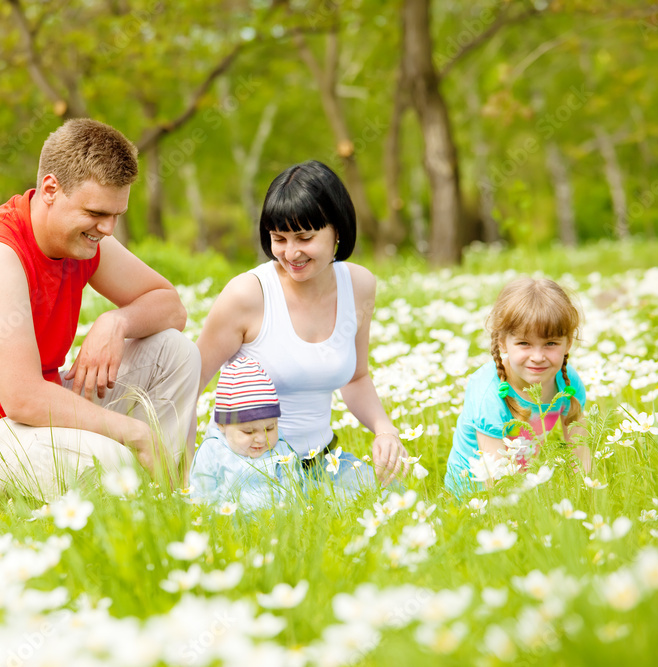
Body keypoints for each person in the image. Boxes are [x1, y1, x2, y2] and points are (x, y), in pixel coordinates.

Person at [0, 119, 200, 501]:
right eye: (96, 213)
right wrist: (134, 433)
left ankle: (172, 496)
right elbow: (23, 398)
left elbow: (172, 308)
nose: (108, 229)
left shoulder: (81, 238)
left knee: (176, 352)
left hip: (24, 418)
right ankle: (139, 476)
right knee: (110, 463)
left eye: (116, 215)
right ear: (51, 189)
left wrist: (117, 321)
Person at [195, 160, 407, 489]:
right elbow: (188, 386)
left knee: (393, 497)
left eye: (304, 237)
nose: (290, 253)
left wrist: (384, 430)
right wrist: (180, 474)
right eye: (279, 238)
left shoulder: (359, 285)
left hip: (320, 463)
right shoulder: (247, 295)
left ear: (337, 230)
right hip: (247, 468)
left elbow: (356, 377)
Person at [444, 276, 591, 494]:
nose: (538, 357)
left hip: (523, 484)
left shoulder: (567, 382)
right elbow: (495, 480)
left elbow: (581, 456)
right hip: (474, 497)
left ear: (568, 342)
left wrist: (586, 497)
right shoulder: (490, 393)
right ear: (502, 342)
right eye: (524, 343)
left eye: (550, 343)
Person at [188, 355, 302, 511]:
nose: (262, 439)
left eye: (270, 428)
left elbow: (293, 492)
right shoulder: (213, 451)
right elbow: (202, 492)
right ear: (222, 425)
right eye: (249, 432)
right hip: (227, 521)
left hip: (273, 521)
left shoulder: (281, 451)